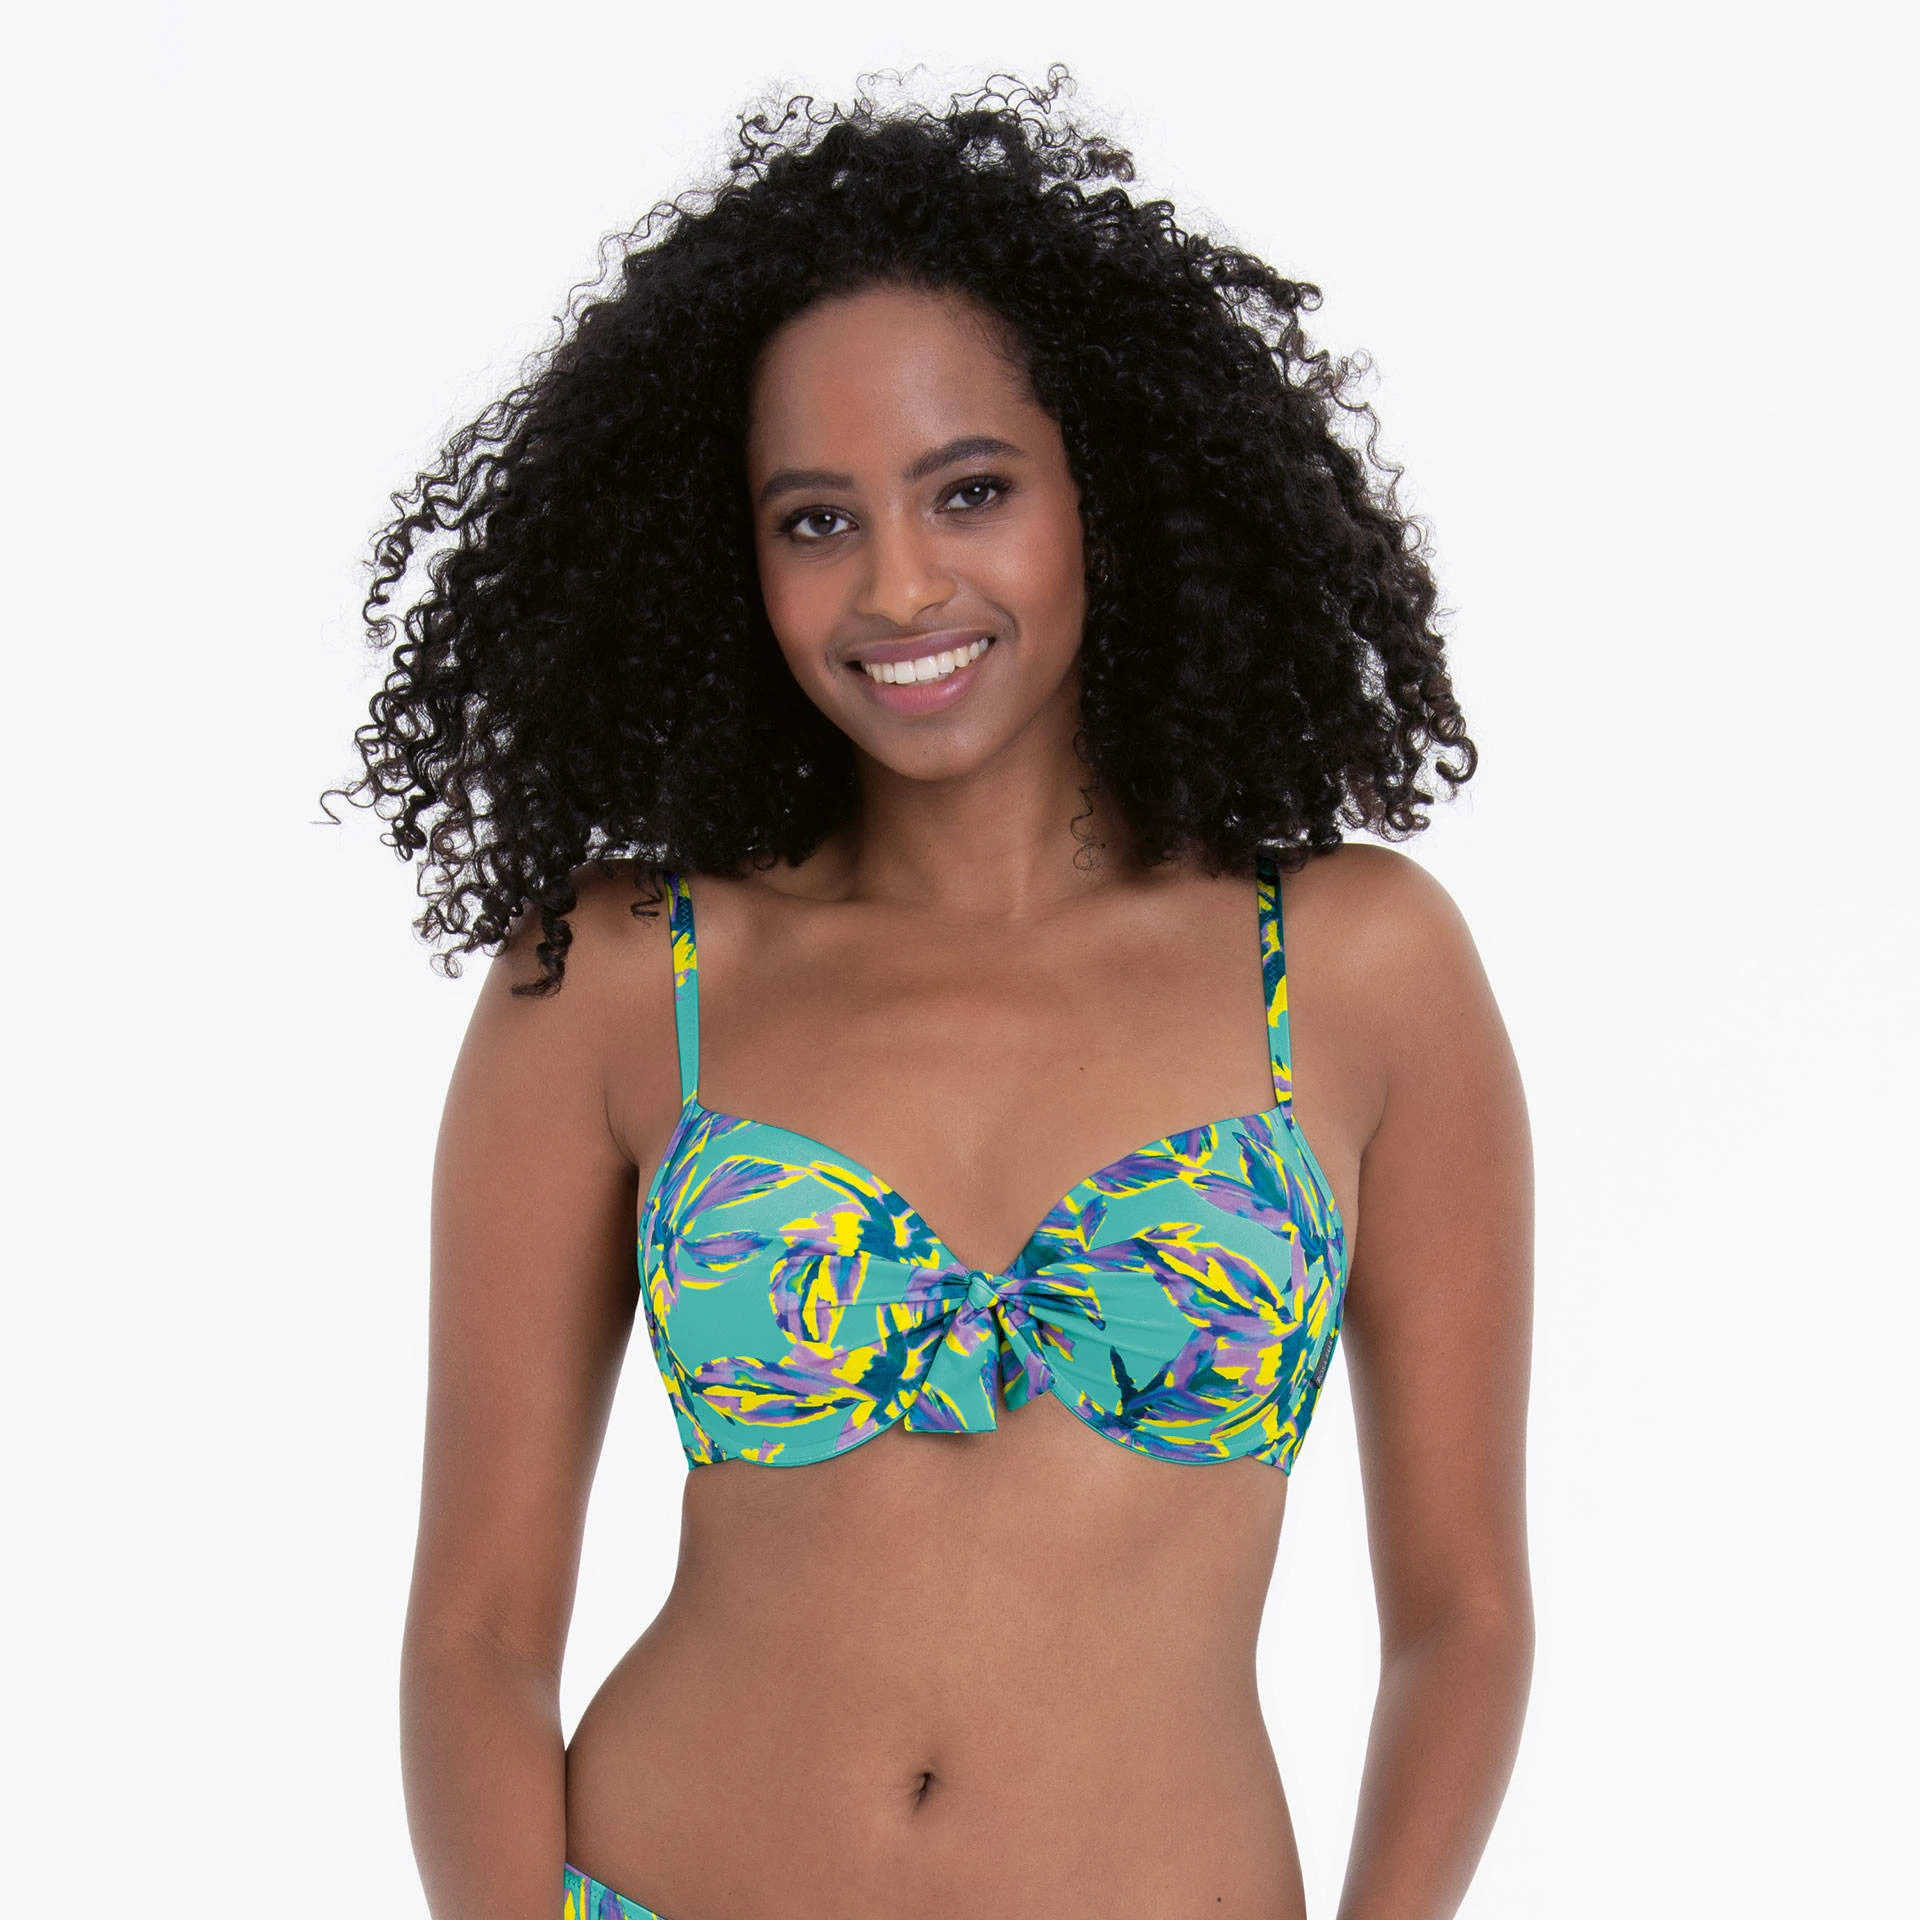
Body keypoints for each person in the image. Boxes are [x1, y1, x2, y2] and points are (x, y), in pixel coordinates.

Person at [337, 66, 1535, 1920]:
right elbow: (476, 1633)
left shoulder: (1354, 968)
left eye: (969, 491)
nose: (899, 588)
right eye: (815, 521)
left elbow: (1463, 1620)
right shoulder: (620, 981)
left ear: (1105, 486)